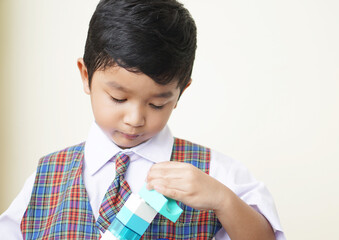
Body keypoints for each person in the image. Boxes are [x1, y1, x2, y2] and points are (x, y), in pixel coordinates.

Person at [0, 0, 285, 239]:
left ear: (181, 92)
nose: (135, 119)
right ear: (86, 76)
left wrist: (223, 201)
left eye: (157, 104)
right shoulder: (46, 177)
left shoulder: (216, 174)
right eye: (118, 99)